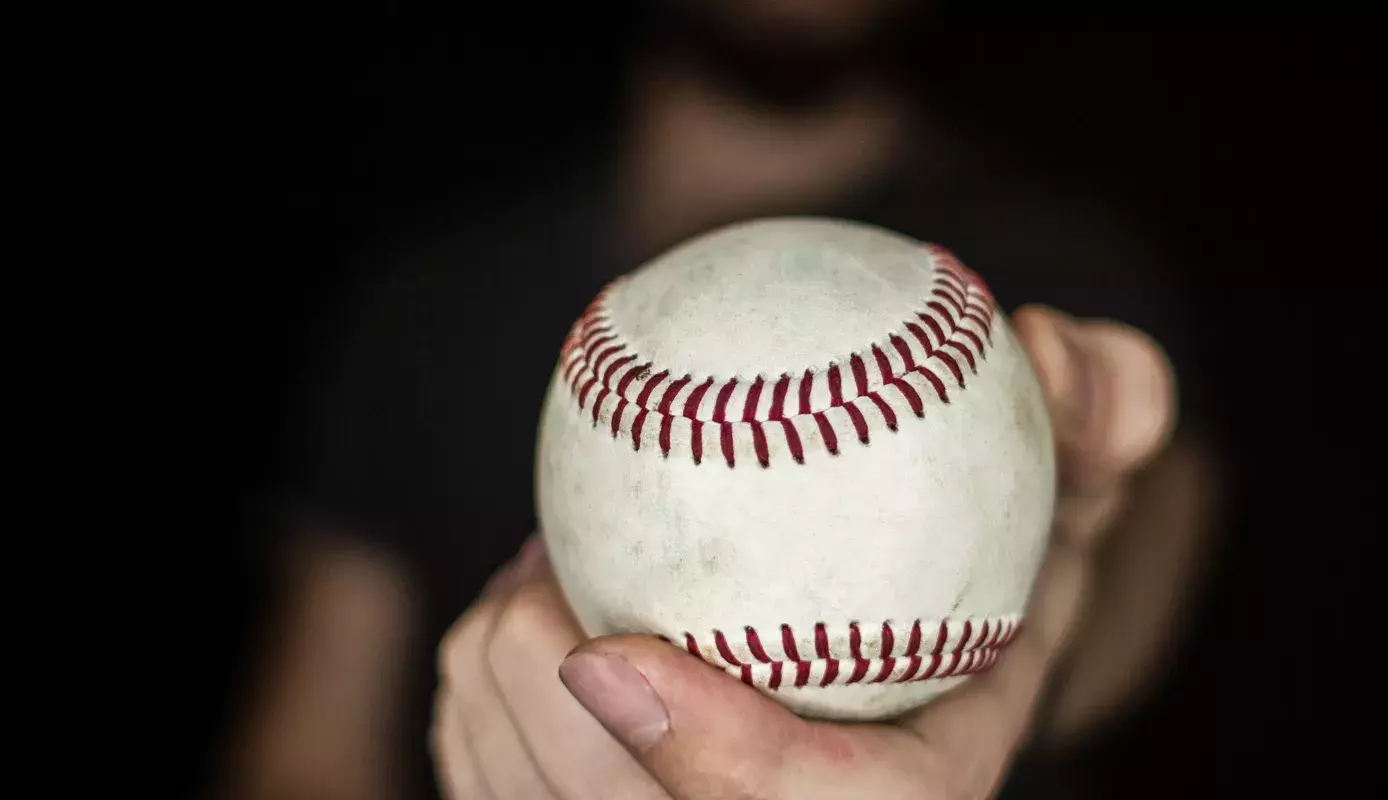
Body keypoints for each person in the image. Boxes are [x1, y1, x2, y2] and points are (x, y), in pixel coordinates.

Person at [219, 2, 1220, 798]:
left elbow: (1144, 554)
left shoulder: (1061, 263)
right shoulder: (434, 302)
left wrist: (1048, 616)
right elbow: (310, 748)